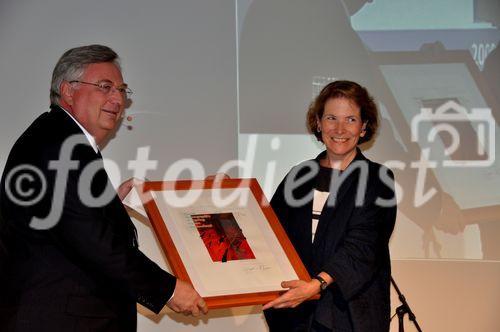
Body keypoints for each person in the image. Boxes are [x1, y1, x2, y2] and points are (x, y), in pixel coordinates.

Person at [0, 44, 207, 331]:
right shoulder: (60, 145)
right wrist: (169, 289)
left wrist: (110, 205)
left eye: (122, 90)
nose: (117, 99)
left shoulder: (62, 139)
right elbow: (93, 241)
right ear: (68, 91)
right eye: (105, 86)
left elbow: (71, 225)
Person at [263, 80, 397, 332]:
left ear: (364, 127)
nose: (340, 128)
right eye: (331, 118)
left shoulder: (377, 179)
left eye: (351, 119)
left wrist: (317, 285)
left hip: (348, 314)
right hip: (296, 315)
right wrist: (237, 200)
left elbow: (362, 247)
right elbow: (269, 232)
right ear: (318, 123)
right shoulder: (298, 176)